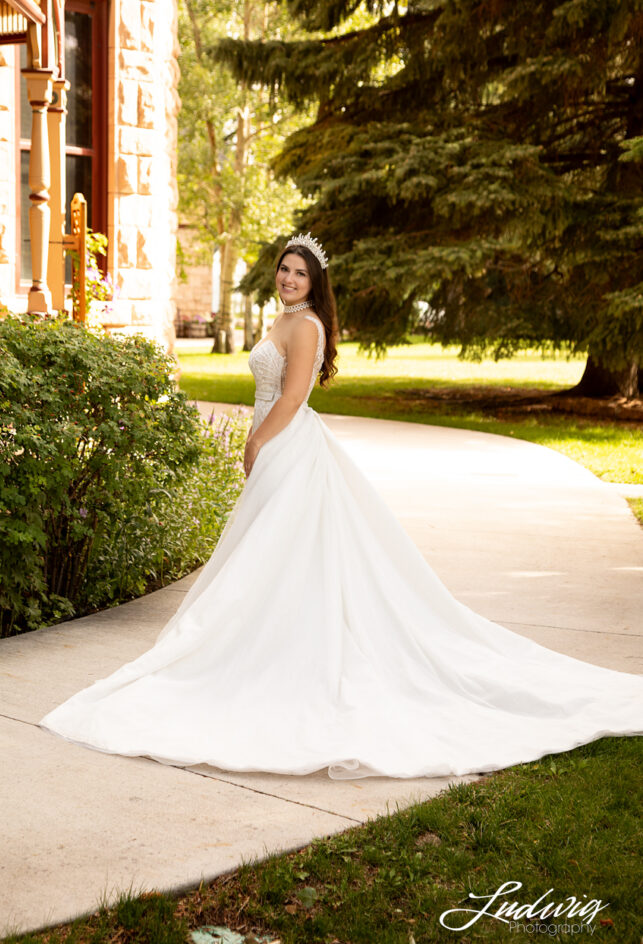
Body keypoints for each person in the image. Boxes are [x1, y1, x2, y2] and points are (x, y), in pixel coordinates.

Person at [39, 232, 643, 780]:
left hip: (287, 447)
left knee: (283, 558)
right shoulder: (286, 318)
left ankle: (287, 661)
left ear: (315, 284)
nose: (288, 279)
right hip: (280, 450)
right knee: (269, 564)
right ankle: (265, 653)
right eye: (283, 270)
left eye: (299, 274)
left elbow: (294, 396)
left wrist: (254, 442)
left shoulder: (304, 327)